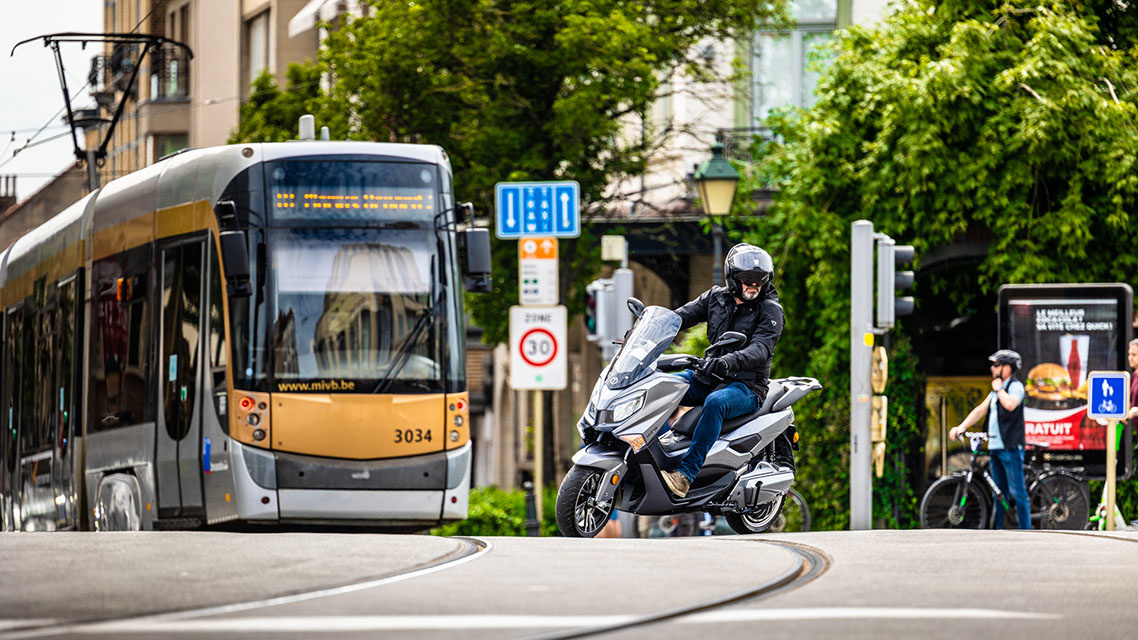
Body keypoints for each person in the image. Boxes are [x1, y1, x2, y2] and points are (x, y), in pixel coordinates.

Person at [658, 243, 785, 498]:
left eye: (759, 280)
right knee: (661, 386)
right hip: (709, 376)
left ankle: (685, 475)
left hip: (747, 387)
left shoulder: (770, 310)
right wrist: (646, 331)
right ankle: (650, 455)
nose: (754, 285)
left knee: (715, 402)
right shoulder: (716, 297)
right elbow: (680, 317)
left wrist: (728, 362)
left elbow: (760, 349)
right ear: (732, 278)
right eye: (747, 279)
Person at [948, 350, 1031, 529]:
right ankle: (998, 529)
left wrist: (999, 389)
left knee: (1017, 492)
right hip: (995, 447)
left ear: (1007, 368)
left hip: (1010, 448)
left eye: (996, 365)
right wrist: (961, 427)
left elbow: (1010, 405)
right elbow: (980, 410)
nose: (992, 369)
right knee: (997, 492)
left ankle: (1026, 530)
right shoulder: (995, 392)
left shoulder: (1014, 387)